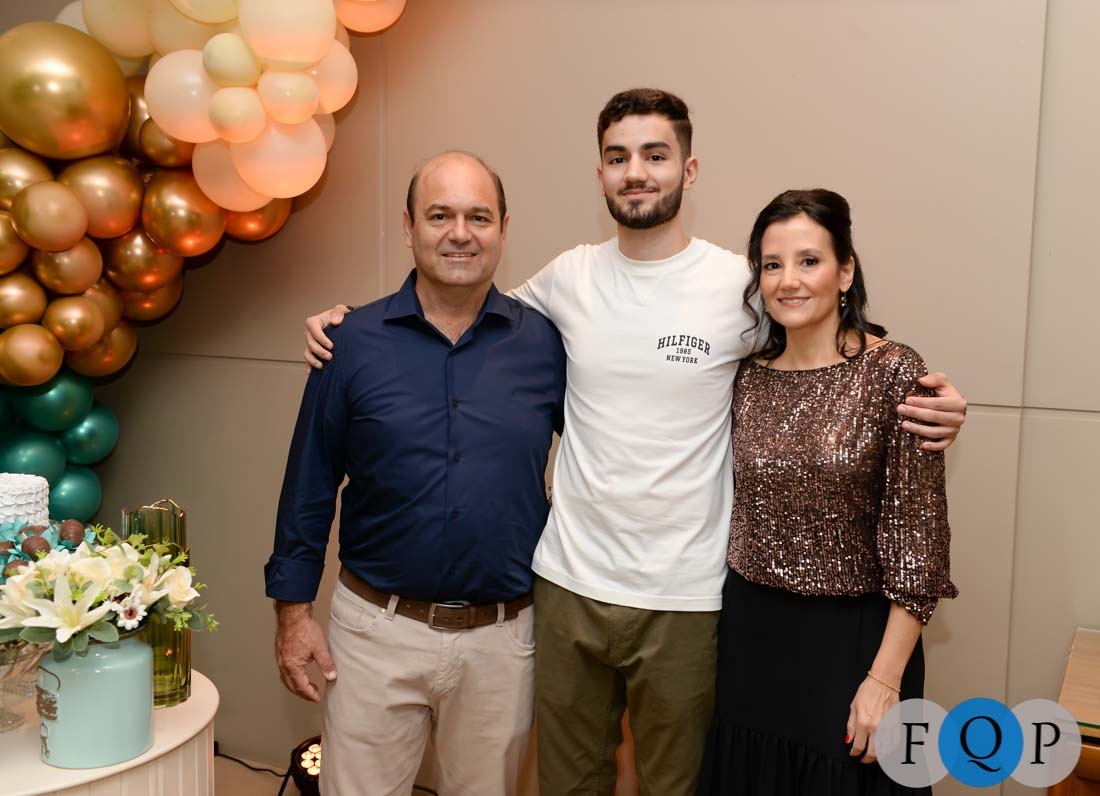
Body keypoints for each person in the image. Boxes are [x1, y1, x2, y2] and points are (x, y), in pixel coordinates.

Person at [301, 90, 967, 796]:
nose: (636, 172)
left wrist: (926, 397)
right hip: (568, 584)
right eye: (618, 158)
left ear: (689, 168)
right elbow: (461, 313)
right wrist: (354, 322)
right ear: (600, 175)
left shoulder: (739, 287)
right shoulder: (567, 278)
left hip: (687, 596)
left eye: (655, 155)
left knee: (677, 786)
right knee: (568, 785)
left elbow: (824, 342)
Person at [265, 151, 565, 796]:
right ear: (408, 227)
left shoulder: (545, 345)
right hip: (375, 634)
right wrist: (293, 616)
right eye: (439, 215)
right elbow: (309, 484)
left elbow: (605, 456)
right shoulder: (349, 343)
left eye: (478, 217)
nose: (460, 233)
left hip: (503, 642)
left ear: (503, 228)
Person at [696, 188, 958, 795]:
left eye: (809, 260)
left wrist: (884, 681)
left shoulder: (894, 372)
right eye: (772, 264)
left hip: (854, 643)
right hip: (751, 636)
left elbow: (919, 549)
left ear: (845, 272)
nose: (788, 280)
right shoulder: (746, 378)